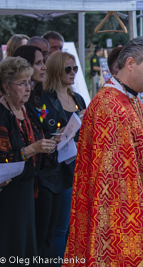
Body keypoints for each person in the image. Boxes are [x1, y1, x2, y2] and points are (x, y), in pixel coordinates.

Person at [64, 37, 143, 266]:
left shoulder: (132, 101)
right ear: (130, 63)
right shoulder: (109, 107)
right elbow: (113, 180)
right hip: (114, 217)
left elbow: (136, 159)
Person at [0, 57, 57, 265]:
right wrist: (33, 149)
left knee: (26, 248)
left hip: (26, 189)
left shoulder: (25, 110)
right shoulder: (2, 114)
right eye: (22, 83)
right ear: (6, 86)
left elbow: (35, 145)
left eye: (29, 83)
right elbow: (3, 158)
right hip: (8, 193)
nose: (28, 88)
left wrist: (49, 144)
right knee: (11, 247)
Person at [40, 51, 86, 266]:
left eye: (74, 68)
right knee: (58, 228)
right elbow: (42, 132)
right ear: (56, 70)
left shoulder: (78, 98)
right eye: (67, 68)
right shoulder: (44, 99)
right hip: (55, 170)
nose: (72, 73)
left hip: (78, 166)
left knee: (73, 226)